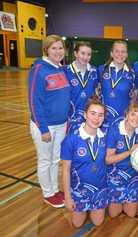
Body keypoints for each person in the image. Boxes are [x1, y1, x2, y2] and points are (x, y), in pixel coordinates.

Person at [28, 34, 70, 208]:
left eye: (60, 48)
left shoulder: (60, 68)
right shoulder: (39, 69)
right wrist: (43, 128)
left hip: (61, 125)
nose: (58, 51)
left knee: (55, 160)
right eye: (54, 48)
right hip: (44, 126)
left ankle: (54, 189)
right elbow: (33, 100)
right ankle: (47, 193)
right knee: (45, 160)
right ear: (46, 50)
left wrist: (66, 123)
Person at [61, 97, 107, 227]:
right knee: (77, 224)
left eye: (100, 115)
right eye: (93, 113)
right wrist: (68, 197)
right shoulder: (71, 139)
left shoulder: (106, 137)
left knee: (98, 223)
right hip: (79, 190)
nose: (96, 118)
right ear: (85, 114)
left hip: (99, 189)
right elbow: (65, 170)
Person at [105, 102, 138, 218]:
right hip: (116, 176)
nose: (136, 118)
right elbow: (108, 160)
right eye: (133, 114)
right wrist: (130, 151)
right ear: (126, 114)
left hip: (133, 177)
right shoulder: (114, 130)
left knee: (131, 214)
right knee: (114, 214)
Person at [64, 41, 99, 133]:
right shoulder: (65, 71)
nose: (85, 57)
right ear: (75, 53)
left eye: (89, 54)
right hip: (69, 118)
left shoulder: (94, 71)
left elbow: (95, 92)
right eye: (82, 53)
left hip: (88, 118)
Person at [98, 40, 134, 128]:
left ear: (126, 54)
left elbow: (135, 96)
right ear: (111, 53)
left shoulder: (132, 73)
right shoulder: (101, 70)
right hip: (103, 119)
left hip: (123, 119)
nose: (120, 54)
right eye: (117, 51)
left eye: (123, 52)